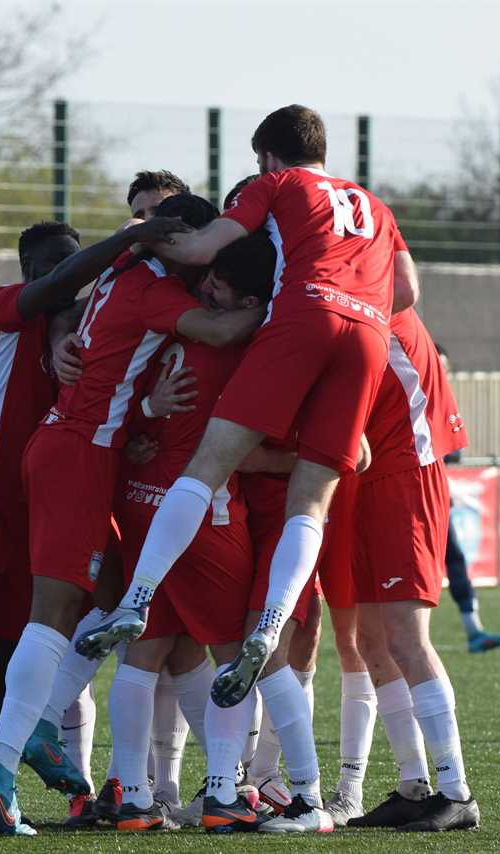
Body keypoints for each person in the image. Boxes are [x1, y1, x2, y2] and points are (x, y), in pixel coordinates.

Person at [80, 105, 417, 823]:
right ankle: (264, 648)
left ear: (268, 158)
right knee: (311, 506)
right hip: (366, 330)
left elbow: (203, 252)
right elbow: (408, 292)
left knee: (204, 467)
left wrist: (149, 238)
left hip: (301, 320)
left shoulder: (278, 190)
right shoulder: (375, 207)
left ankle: (138, 601)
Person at [0, 193, 264, 835]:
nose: (203, 260)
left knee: (113, 599)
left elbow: (88, 317)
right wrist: (287, 308)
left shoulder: (123, 277)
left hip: (79, 448)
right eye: (197, 245)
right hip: (79, 452)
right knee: (53, 614)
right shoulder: (152, 288)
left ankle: (37, 733)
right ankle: (1, 764)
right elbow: (217, 328)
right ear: (173, 242)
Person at [0, 215, 191, 831]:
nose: (68, 275)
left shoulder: (84, 329)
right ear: (32, 271)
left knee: (7, 655)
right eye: (57, 264)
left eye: (74, 261)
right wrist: (127, 240)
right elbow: (61, 288)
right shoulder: (5, 307)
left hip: (29, 510)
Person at [105, 233, 279, 832]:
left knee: (148, 651)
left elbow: (127, 397)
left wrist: (148, 414)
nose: (206, 286)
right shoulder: (242, 339)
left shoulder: (176, 326)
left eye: (218, 281)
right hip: (204, 513)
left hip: (143, 497)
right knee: (237, 651)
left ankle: (132, 796)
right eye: (209, 278)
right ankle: (227, 793)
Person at [317, 299, 481, 832]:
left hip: (405, 480)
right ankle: (414, 785)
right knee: (371, 643)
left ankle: (457, 793)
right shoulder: (360, 307)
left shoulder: (380, 308)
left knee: (408, 639)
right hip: (370, 482)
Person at [434, 345, 500, 653]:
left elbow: (455, 452)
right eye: (438, 366)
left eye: (446, 368)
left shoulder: (441, 400)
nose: (442, 373)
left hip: (437, 497)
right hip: (409, 498)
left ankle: (474, 630)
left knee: (453, 560)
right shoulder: (418, 397)